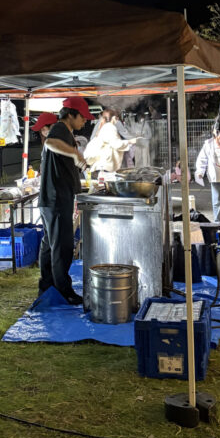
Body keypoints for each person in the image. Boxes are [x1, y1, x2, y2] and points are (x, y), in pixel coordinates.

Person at [37, 96, 91, 305]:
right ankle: (63, 290)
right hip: (56, 198)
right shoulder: (59, 129)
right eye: (82, 117)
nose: (85, 122)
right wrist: (75, 153)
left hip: (54, 198)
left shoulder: (65, 132)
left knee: (51, 244)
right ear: (70, 115)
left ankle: (48, 286)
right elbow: (50, 143)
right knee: (62, 246)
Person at [83, 107, 134, 174]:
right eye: (117, 116)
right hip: (107, 164)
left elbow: (93, 138)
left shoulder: (100, 123)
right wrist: (132, 140)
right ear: (114, 117)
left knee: (101, 182)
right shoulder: (111, 126)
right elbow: (118, 142)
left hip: (99, 162)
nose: (118, 118)